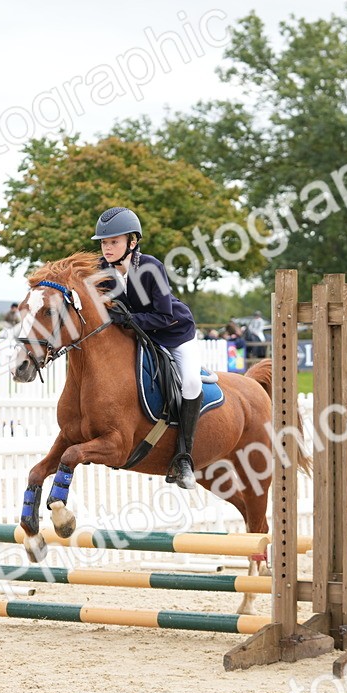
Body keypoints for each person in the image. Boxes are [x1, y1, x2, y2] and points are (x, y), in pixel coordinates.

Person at [92, 206, 201, 489]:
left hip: (174, 333)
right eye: (104, 242)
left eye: (114, 241)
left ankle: (184, 458)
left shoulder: (151, 267)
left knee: (190, 383)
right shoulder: (102, 272)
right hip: (141, 336)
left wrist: (129, 319)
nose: (108, 248)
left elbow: (164, 316)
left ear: (133, 242)